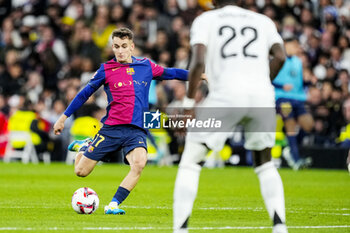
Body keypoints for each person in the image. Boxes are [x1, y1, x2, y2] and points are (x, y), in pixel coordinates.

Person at [173, 1, 288, 233]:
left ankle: (180, 229)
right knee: (265, 163)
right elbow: (281, 56)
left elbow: (197, 63)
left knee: (191, 161)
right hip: (262, 97)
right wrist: (264, 81)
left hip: (225, 95)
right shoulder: (263, 21)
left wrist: (188, 104)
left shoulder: (206, 20)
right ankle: (280, 227)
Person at [53, 28, 190, 215]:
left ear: (132, 47)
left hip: (136, 130)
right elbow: (85, 93)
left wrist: (199, 75)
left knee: (140, 163)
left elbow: (172, 72)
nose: (120, 50)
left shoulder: (146, 66)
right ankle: (85, 147)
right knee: (81, 172)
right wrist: (63, 117)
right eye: (116, 46)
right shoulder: (106, 69)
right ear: (113, 47)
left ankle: (114, 204)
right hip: (111, 129)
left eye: (124, 46)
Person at [273, 37, 314, 170]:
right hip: (282, 97)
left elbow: (299, 82)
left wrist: (310, 81)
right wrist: (281, 86)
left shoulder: (298, 62)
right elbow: (267, 77)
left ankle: (289, 150)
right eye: (293, 45)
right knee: (290, 123)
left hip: (298, 98)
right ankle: (295, 158)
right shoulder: (277, 60)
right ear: (285, 45)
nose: (296, 47)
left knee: (308, 125)